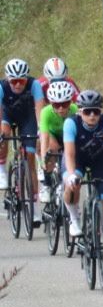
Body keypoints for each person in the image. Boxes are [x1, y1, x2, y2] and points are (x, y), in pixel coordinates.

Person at [60, 90, 103, 273]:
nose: (92, 115)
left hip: (101, 162)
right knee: (72, 187)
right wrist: (71, 175)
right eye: (87, 111)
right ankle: (74, 217)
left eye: (96, 111)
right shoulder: (71, 123)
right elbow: (69, 154)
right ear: (80, 112)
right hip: (77, 161)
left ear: (101, 111)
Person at [0, 58, 44, 211]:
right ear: (7, 79)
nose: (18, 84)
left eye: (22, 81)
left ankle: (35, 204)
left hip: (27, 117)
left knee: (30, 157)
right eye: (14, 81)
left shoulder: (35, 85)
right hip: (7, 115)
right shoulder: (1, 87)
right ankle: (2, 169)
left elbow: (39, 110)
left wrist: (40, 131)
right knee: (3, 135)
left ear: (27, 79)